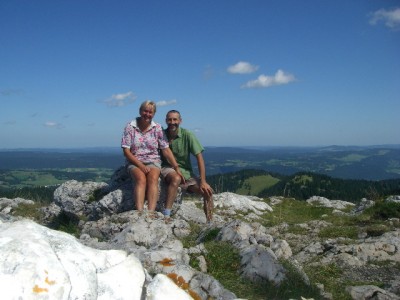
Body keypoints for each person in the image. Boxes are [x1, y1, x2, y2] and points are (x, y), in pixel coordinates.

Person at [121, 101, 184, 214]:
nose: (147, 114)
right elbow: (126, 151)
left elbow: (165, 149)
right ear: (140, 111)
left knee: (153, 179)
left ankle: (150, 212)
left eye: (150, 112)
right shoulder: (130, 127)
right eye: (145, 111)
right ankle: (139, 212)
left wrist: (176, 167)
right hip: (135, 161)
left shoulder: (157, 128)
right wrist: (140, 165)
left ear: (154, 114)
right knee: (141, 179)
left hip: (153, 160)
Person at [161, 110, 214, 222]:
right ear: (166, 121)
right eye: (169, 119)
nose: (172, 122)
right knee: (176, 178)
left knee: (208, 191)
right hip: (167, 168)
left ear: (180, 121)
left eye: (175, 119)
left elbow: (199, 157)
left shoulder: (187, 135)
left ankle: (210, 222)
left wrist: (203, 182)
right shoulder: (161, 135)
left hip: (186, 172)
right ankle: (167, 214)